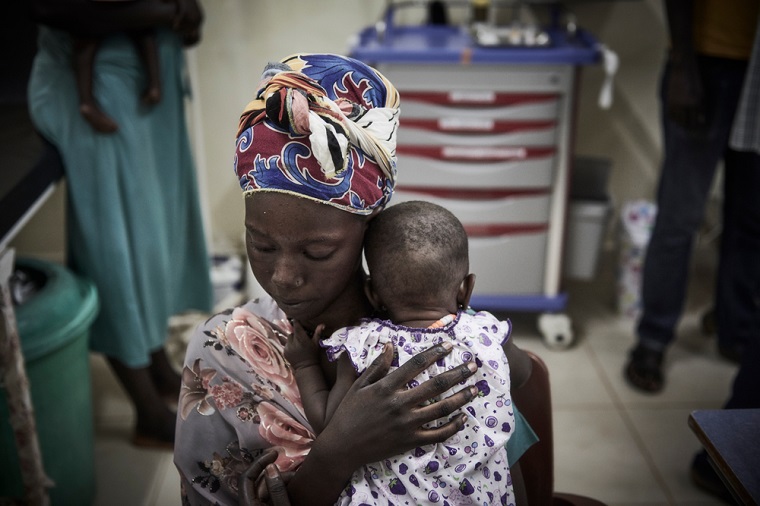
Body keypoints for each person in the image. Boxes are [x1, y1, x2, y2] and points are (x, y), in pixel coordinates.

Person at [174, 53, 536, 505]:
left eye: (317, 251)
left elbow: (502, 477)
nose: (284, 278)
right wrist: (336, 454)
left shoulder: (437, 346)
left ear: (368, 228)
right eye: (261, 246)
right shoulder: (224, 351)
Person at [27, 0, 212, 447]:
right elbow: (60, 10)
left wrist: (185, 13)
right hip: (100, 87)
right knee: (116, 243)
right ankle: (147, 411)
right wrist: (165, 12)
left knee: (152, 240)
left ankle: (156, 367)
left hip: (146, 84)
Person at [284, 200, 529, 505]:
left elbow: (330, 425)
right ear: (466, 288)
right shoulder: (485, 333)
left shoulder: (364, 347)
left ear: (372, 293)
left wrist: (305, 364)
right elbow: (521, 373)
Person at [624, 0, 760, 393]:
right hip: (707, 63)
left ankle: (735, 328)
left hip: (755, 70)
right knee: (680, 217)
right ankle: (652, 339)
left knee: (751, 217)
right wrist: (684, 65)